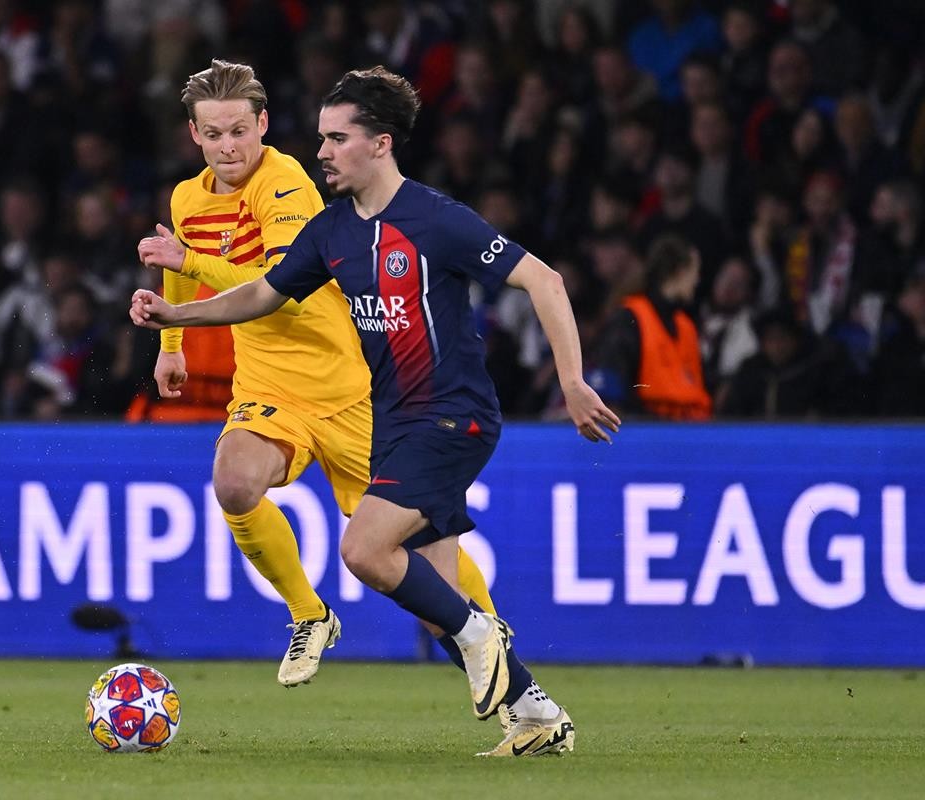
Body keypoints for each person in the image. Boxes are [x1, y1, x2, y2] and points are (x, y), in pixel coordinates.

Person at [131, 66, 619, 757]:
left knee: (366, 551)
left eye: (336, 139)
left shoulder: (429, 217)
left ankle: (481, 631)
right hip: (390, 417)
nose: (322, 152)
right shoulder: (334, 230)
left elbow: (544, 278)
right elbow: (265, 293)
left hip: (446, 414)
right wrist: (173, 321)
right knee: (433, 594)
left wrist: (572, 380)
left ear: (380, 143)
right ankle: (535, 713)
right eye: (322, 138)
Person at [136, 60, 501, 689]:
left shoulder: (286, 186)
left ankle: (492, 634)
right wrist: (172, 344)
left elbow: (282, 293)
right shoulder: (188, 198)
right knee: (234, 483)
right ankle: (310, 614)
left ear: (263, 125)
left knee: (416, 547)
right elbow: (180, 267)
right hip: (268, 387)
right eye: (214, 134)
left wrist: (188, 260)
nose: (229, 147)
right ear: (194, 134)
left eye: (240, 131)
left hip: (349, 389)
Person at [590, 234, 713, 420]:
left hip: (691, 427)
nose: (697, 280)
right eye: (695, 271)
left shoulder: (686, 326)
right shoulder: (630, 319)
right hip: (647, 427)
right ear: (680, 271)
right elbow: (611, 387)